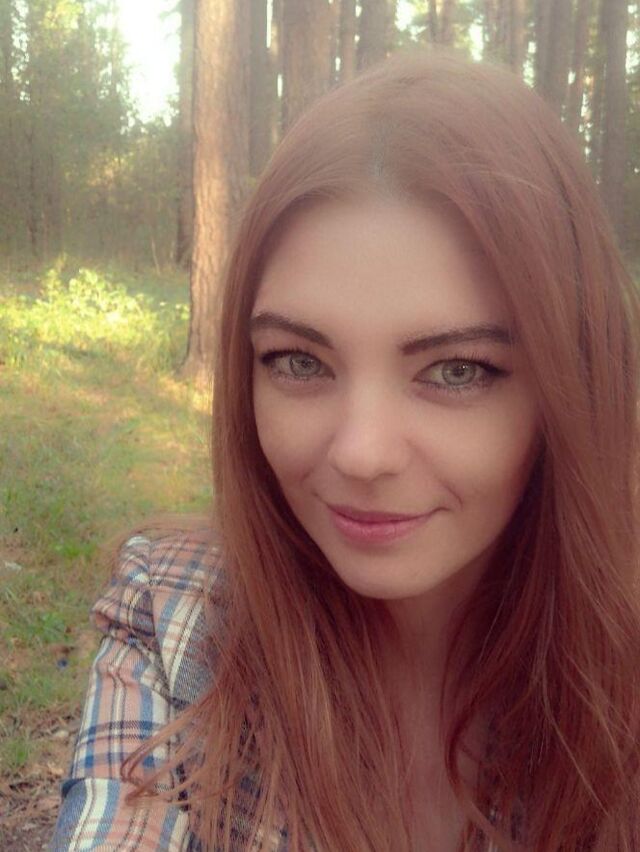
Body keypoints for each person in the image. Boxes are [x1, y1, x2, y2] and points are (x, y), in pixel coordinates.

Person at [51, 50, 640, 851]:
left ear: (573, 386)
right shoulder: (175, 620)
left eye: (457, 370)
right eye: (299, 361)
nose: (362, 454)